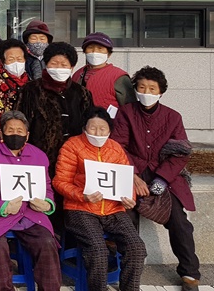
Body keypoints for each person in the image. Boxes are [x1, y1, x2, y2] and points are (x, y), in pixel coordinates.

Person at [112, 66, 200, 291]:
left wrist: (162, 179)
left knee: (179, 221)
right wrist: (132, 175)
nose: (146, 92)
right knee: (125, 215)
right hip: (131, 172)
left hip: (164, 175)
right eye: (141, 87)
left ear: (161, 92)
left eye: (152, 88)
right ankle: (129, 272)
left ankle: (189, 273)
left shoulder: (173, 117)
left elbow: (180, 153)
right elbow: (117, 146)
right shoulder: (126, 112)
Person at [53, 107, 146, 291]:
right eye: (93, 128)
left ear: (110, 130)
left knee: (137, 247)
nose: (97, 133)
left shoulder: (115, 148)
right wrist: (82, 195)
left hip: (113, 209)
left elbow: (125, 179)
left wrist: (129, 198)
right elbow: (60, 181)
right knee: (97, 250)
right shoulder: (72, 146)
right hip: (80, 209)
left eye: (102, 129)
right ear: (84, 128)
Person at [0, 111, 61, 291]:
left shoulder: (39, 156)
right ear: (1, 133)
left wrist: (47, 203)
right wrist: (3, 206)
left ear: (27, 135)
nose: (15, 134)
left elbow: (46, 186)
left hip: (30, 212)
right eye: (10, 130)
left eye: (20, 131)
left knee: (47, 242)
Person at [17, 41, 93, 174]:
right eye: (54, 63)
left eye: (64, 65)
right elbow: (21, 123)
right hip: (38, 157)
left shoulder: (82, 93)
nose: (59, 68)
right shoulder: (30, 90)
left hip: (73, 159)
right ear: (46, 64)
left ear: (72, 67)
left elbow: (89, 124)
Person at [72, 32, 133, 113]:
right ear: (85, 51)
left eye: (100, 48)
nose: (95, 51)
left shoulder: (119, 77)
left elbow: (130, 107)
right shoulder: (77, 74)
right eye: (90, 47)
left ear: (109, 54)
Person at [0, 39, 29, 140]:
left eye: (19, 59)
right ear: (2, 62)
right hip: (7, 139)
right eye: (11, 59)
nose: (16, 63)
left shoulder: (30, 82)